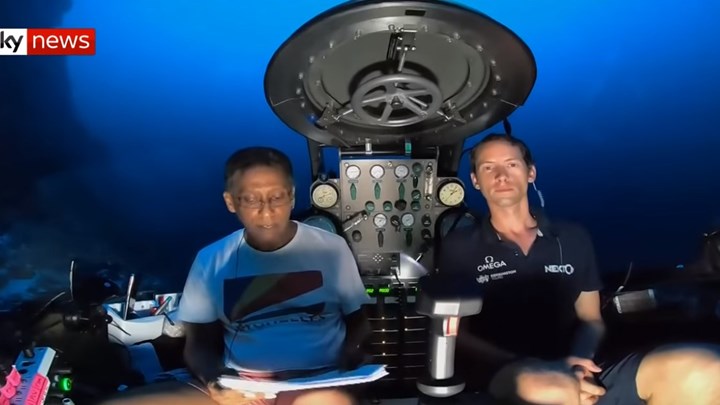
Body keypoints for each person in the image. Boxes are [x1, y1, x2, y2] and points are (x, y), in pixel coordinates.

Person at [435, 133, 720, 405]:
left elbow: (591, 318)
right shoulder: (459, 246)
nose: (501, 175)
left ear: (531, 173)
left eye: (511, 164)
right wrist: (528, 366)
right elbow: (457, 333)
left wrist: (579, 363)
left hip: (578, 368)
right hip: (506, 373)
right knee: (552, 389)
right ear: (475, 180)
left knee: (705, 369)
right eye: (488, 167)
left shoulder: (572, 237)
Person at [99, 146, 372, 405]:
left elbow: (359, 320)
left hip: (317, 381)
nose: (266, 210)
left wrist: (353, 355)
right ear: (230, 202)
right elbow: (198, 345)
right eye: (251, 199)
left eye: (276, 197)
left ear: (291, 196)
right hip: (241, 383)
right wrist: (215, 383)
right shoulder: (211, 259)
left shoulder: (332, 249)